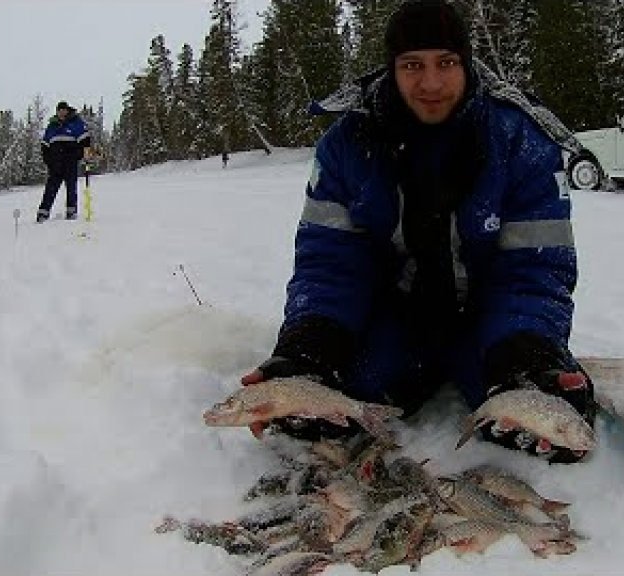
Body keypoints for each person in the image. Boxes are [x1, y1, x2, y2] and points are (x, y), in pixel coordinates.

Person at [240, 0, 597, 463]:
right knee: (333, 407)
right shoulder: (347, 145)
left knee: (543, 416)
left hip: (490, 323)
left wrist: (527, 354)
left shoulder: (521, 140)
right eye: (413, 65)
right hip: (397, 316)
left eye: (446, 63)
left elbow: (533, 269)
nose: (431, 83)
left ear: (467, 64)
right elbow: (331, 265)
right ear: (391, 69)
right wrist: (310, 349)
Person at [38, 101, 91, 222]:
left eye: (64, 110)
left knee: (71, 187)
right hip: (55, 163)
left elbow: (85, 139)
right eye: (59, 110)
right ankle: (43, 213)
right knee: (50, 188)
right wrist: (48, 160)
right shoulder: (52, 125)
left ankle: (71, 212)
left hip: (70, 161)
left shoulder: (75, 122)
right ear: (57, 112)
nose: (62, 112)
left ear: (67, 111)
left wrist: (84, 154)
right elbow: (45, 144)